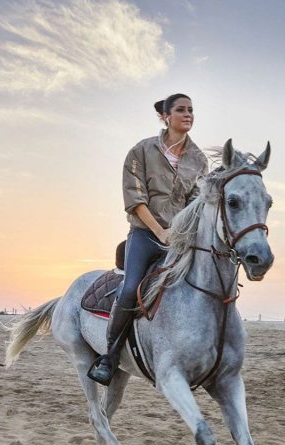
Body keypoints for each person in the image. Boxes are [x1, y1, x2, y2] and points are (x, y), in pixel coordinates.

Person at [87, 93, 209, 385]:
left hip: (179, 239)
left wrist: (182, 235)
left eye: (191, 110)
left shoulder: (199, 160)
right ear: (166, 116)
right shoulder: (140, 152)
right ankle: (110, 356)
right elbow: (135, 200)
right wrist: (160, 231)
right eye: (181, 110)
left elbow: (197, 204)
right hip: (144, 234)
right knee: (130, 289)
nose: (188, 114)